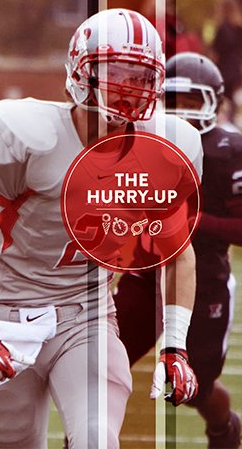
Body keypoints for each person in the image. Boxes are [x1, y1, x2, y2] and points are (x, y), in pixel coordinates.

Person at [0, 8, 203, 448]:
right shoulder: (27, 136)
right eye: (116, 72)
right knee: (16, 441)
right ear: (81, 72)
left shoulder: (167, 147)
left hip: (86, 313)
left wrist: (175, 343)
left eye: (140, 76)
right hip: (6, 314)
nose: (128, 89)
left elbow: (177, 255)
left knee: (97, 438)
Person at [114, 52, 242, 448]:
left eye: (191, 102)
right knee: (103, 367)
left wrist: (189, 223)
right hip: (143, 277)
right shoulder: (137, 142)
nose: (182, 113)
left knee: (196, 389)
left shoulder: (229, 149)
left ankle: (225, 427)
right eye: (173, 102)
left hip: (203, 283)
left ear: (215, 102)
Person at [211, 0, 242, 125]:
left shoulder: (222, 28)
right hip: (235, 69)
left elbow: (216, 51)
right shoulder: (238, 28)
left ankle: (222, 122)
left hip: (223, 69)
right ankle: (232, 123)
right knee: (232, 100)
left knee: (222, 99)